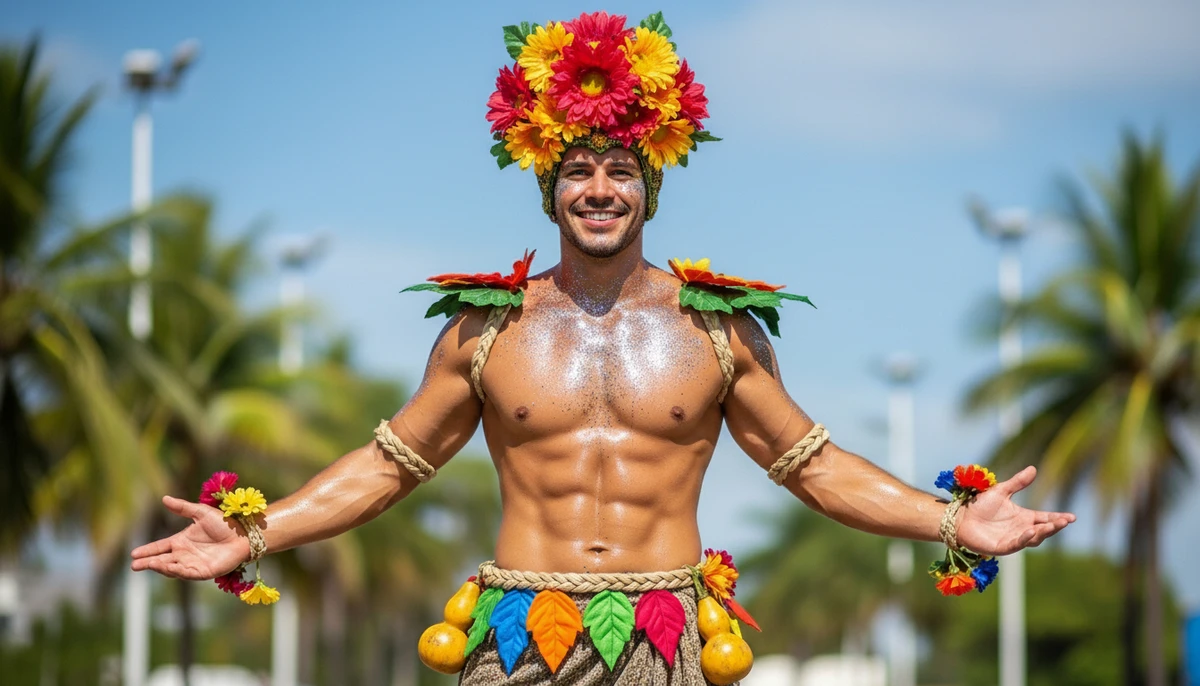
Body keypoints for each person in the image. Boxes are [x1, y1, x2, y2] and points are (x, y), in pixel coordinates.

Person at [131, 11, 1075, 685]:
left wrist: (950, 521)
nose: (599, 189)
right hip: (515, 640)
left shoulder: (717, 326)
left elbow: (812, 466)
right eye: (576, 170)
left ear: (650, 190)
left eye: (620, 170)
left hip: (665, 644)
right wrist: (258, 531)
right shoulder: (485, 326)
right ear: (547, 189)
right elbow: (390, 465)